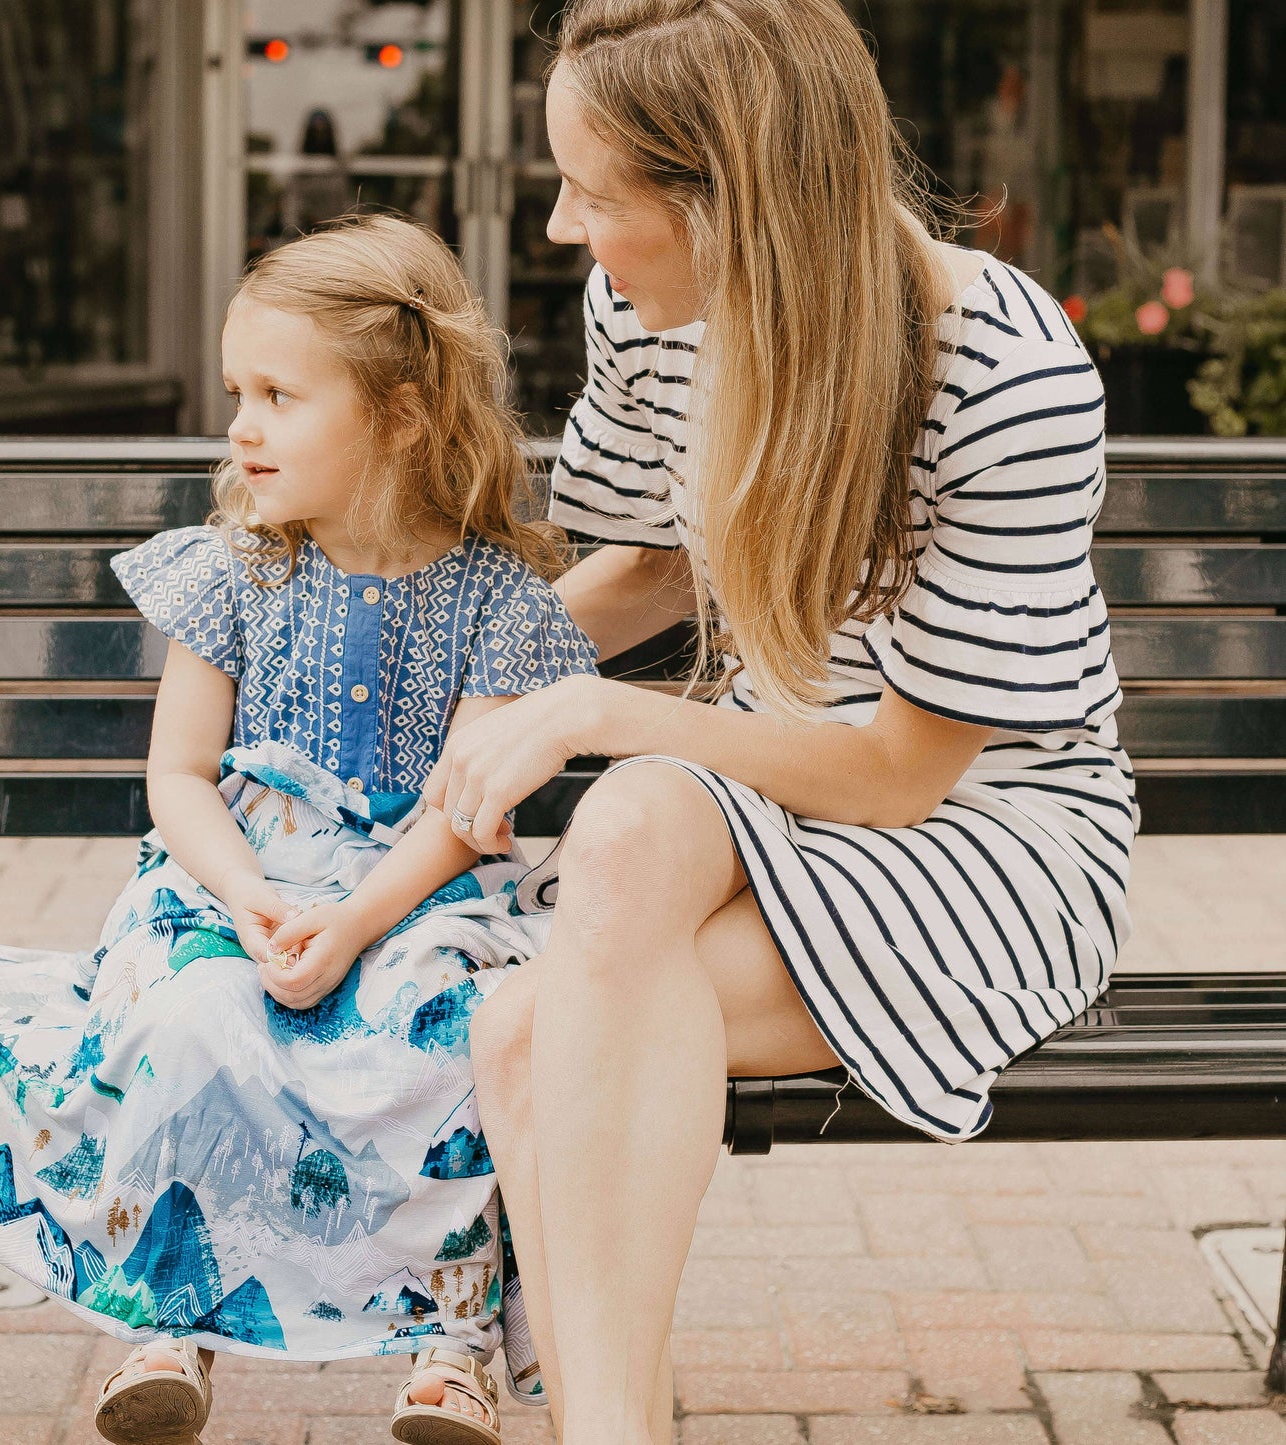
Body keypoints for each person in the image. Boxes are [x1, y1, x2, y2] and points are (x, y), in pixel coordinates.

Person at [403, 3, 1138, 1443]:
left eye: (598, 195)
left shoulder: (1006, 372)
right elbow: (647, 569)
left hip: (989, 835)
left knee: (524, 1022)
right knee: (619, 841)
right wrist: (423, 670)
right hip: (754, 802)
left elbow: (895, 772)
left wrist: (601, 712)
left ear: (730, 198)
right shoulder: (652, 310)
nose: (564, 230)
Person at [0, 214, 596, 1445]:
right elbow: (179, 776)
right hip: (234, 872)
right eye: (238, 391)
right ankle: (166, 1311)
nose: (241, 424)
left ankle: (445, 1331)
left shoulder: (496, 600)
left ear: (401, 415)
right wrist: (246, 891)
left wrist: (357, 918)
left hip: (417, 888)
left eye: (279, 395)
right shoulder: (235, 571)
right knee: (190, 1008)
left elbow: (469, 815)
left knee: (444, 1028)